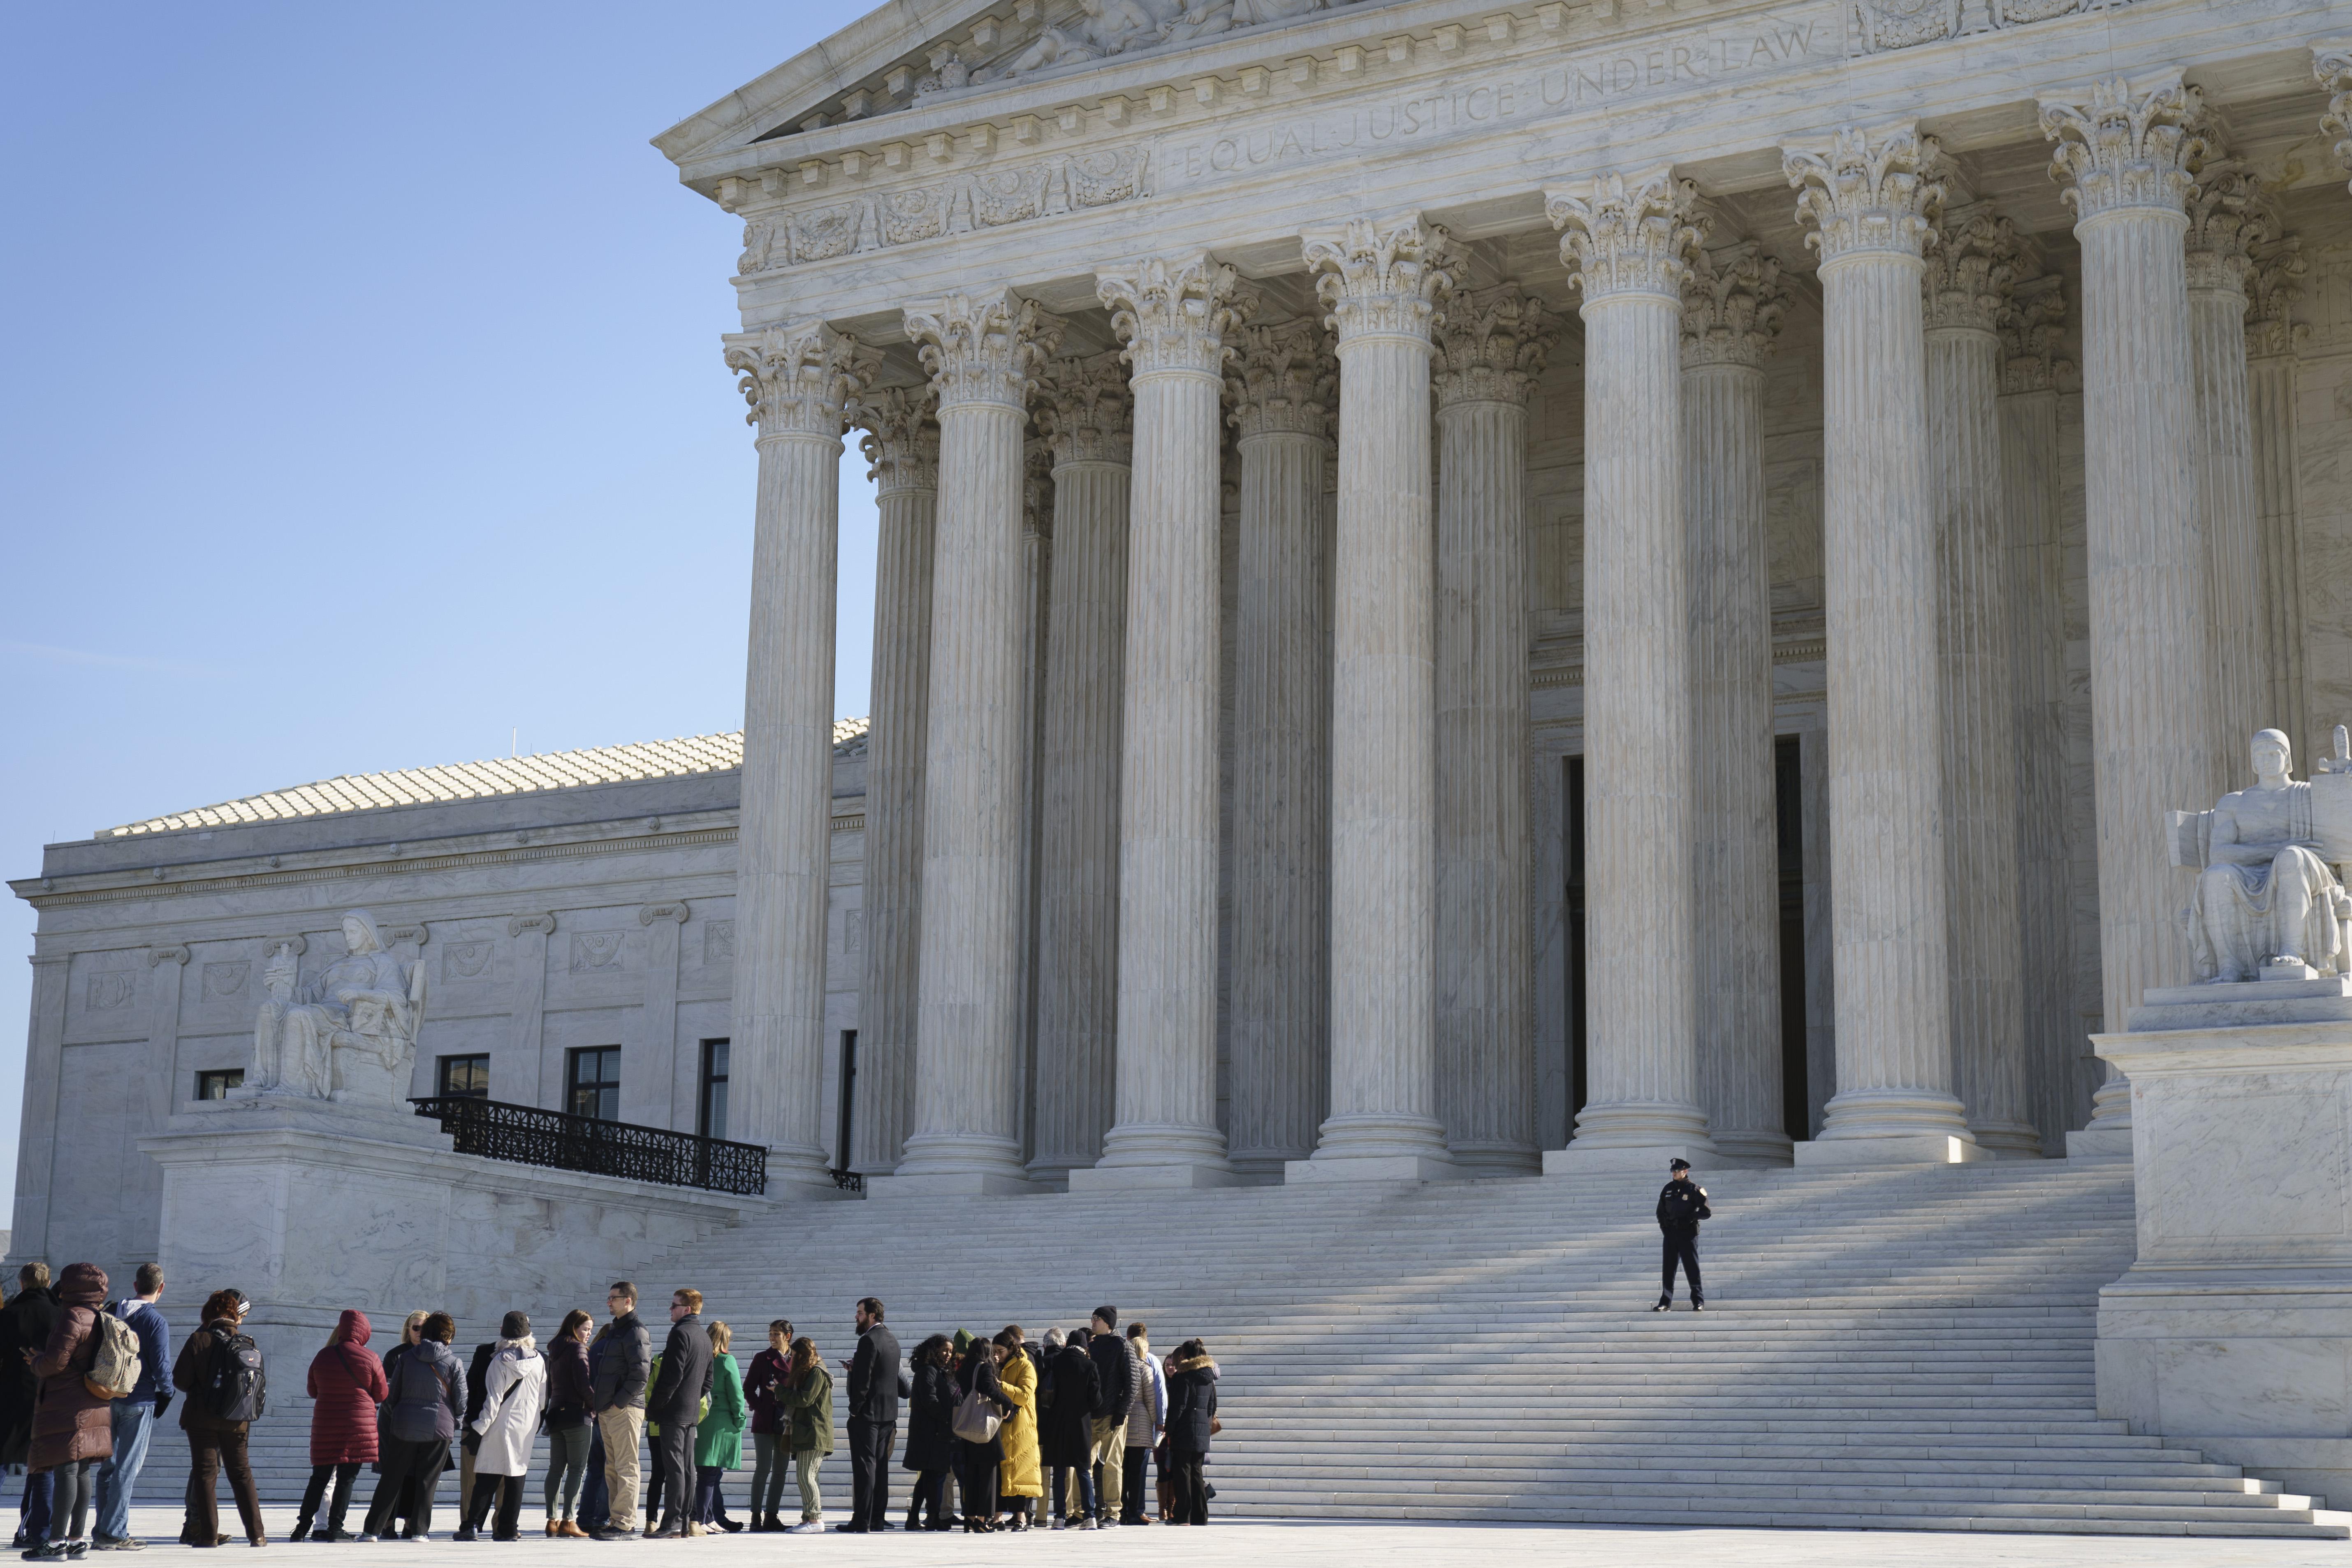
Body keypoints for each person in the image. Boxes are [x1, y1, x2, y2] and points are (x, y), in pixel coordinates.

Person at [23, 1262, 113, 1561]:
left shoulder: (73, 1316)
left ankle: (56, 1541)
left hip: (68, 1403)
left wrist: (36, 1362)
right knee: (82, 1470)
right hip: (95, 1401)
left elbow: (55, 1364)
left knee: (66, 1469)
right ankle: (76, 1539)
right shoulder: (101, 1316)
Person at [358, 1310, 463, 1542]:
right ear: (448, 1337)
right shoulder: (454, 1362)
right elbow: (461, 1400)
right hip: (439, 1428)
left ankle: (371, 1531)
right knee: (427, 1482)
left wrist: (397, 1417)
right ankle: (419, 1532)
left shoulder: (406, 1358)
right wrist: (455, 1422)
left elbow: (391, 1396)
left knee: (391, 1479)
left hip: (404, 1426)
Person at [173, 1288, 266, 1548]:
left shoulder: (198, 1339)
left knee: (205, 1475)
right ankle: (257, 1535)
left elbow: (180, 1380)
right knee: (242, 1475)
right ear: (234, 1315)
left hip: (201, 1419)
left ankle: (208, 1536)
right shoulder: (247, 1342)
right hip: (238, 1419)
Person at [90, 1263, 172, 1551]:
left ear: (136, 1285)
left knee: (108, 1467)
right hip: (140, 1398)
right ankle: (114, 1531)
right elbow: (162, 1366)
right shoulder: (155, 1321)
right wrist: (169, 1392)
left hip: (108, 1395)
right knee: (128, 1467)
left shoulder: (110, 1312)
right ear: (160, 1288)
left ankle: (102, 1528)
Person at [292, 1309, 386, 1543]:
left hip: (327, 1424)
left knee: (319, 1478)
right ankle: (336, 1528)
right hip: (357, 1425)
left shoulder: (322, 1356)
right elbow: (382, 1394)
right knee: (347, 1479)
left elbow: (312, 1390)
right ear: (364, 1331)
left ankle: (301, 1529)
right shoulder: (370, 1357)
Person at [456, 1313, 545, 1543]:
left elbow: (493, 1401)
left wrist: (479, 1428)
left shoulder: (499, 1360)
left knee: (487, 1477)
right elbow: (543, 1399)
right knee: (516, 1477)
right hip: (525, 1425)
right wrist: (535, 1424)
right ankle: (508, 1529)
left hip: (499, 1425)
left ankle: (471, 1526)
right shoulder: (539, 1360)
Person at [585, 1282, 650, 1541]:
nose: (609, 1302)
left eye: (614, 1298)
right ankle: (616, 1520)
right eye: (609, 1298)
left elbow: (641, 1374)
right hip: (608, 1409)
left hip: (625, 1409)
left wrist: (619, 1402)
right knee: (612, 1467)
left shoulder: (636, 1331)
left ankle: (625, 1523)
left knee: (626, 1466)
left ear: (629, 1301)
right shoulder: (615, 1331)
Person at [646, 1289, 713, 1539]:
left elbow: (671, 1376)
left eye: (674, 1305)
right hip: (691, 1412)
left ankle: (672, 1522)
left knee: (675, 1468)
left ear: (687, 1309)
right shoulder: (705, 1337)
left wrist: (656, 1406)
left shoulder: (680, 1333)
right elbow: (708, 1382)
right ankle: (685, 1522)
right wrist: (691, 1398)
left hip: (673, 1412)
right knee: (687, 1468)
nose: (670, 1309)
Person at [1, 1265, 58, 1549]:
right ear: (48, 1282)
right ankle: (38, 1532)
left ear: (22, 1284)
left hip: (8, 1399)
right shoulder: (60, 1317)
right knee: (43, 1468)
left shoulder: (8, 1315)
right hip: (47, 1400)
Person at [841, 1297, 902, 1534]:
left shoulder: (868, 1340)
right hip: (888, 1415)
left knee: (865, 1467)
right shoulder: (892, 1340)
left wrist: (855, 1409)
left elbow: (864, 1382)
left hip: (868, 1416)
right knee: (881, 1468)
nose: (856, 1317)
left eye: (860, 1313)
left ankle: (861, 1520)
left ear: (872, 1315)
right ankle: (877, 1518)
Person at [372, 1311, 428, 1540]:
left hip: (418, 1424)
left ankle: (409, 1524)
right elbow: (386, 1392)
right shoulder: (395, 1356)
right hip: (392, 1422)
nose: (419, 1333)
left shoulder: (433, 1355)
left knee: (414, 1476)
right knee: (391, 1475)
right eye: (415, 1328)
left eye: (424, 1328)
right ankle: (387, 1523)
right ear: (407, 1330)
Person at [541, 1310, 594, 1538]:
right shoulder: (578, 1349)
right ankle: (569, 1520)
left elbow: (551, 1386)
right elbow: (583, 1383)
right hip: (577, 1414)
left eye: (591, 1330)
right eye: (585, 1329)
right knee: (576, 1469)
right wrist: (596, 1407)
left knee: (556, 1469)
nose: (589, 1334)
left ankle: (551, 1521)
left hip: (557, 1414)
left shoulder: (555, 1349)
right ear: (574, 1327)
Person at [691, 1321, 746, 1533]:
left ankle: (710, 1516)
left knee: (709, 1472)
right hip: (722, 1420)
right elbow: (736, 1393)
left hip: (702, 1416)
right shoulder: (726, 1360)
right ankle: (701, 1518)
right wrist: (740, 1419)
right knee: (710, 1473)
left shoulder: (700, 1359)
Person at [1041, 1327, 1098, 1529]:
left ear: (1067, 1345)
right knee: (1083, 1469)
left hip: (1057, 1423)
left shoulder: (1055, 1363)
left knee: (1059, 1471)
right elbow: (1096, 1401)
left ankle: (1059, 1517)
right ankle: (1090, 1516)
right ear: (1084, 1346)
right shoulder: (1090, 1365)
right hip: (1081, 1423)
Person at [899, 1336, 957, 1533]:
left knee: (927, 1478)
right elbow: (930, 1400)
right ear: (933, 1351)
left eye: (950, 1351)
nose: (948, 1355)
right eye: (944, 1350)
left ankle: (916, 1518)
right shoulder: (928, 1372)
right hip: (931, 1434)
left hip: (933, 1432)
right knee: (933, 1477)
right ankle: (932, 1517)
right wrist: (948, 1417)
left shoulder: (935, 1371)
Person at [951, 1336, 1008, 1533]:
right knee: (987, 1476)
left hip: (968, 1429)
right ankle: (982, 1520)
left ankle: (969, 1518)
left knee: (971, 1476)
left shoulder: (964, 1368)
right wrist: (1008, 1403)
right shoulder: (983, 1368)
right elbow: (990, 1390)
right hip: (984, 1427)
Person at [742, 1320, 793, 1532]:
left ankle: (772, 1515)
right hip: (765, 1420)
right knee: (762, 1468)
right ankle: (755, 1516)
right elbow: (748, 1388)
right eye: (770, 1334)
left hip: (787, 1421)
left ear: (787, 1337)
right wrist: (759, 1406)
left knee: (781, 1470)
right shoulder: (762, 1358)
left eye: (776, 1334)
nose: (772, 1338)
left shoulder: (798, 1359)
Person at [1085, 1307, 1135, 1526]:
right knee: (1082, 1464)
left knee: (1112, 1465)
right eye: (1093, 1318)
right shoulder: (1092, 1346)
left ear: (1107, 1323)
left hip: (1112, 1415)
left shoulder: (1122, 1346)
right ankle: (1083, 1510)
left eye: (1097, 1319)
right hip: (1090, 1415)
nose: (1093, 1322)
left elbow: (1133, 1382)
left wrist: (1122, 1412)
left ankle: (1113, 1512)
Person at [1162, 1339, 1217, 1526]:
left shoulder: (1183, 1377)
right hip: (1201, 1432)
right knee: (1196, 1473)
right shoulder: (1209, 1378)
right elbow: (1212, 1407)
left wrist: (1169, 1428)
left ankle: (1182, 1516)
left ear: (1187, 1355)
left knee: (1182, 1473)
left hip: (1184, 1432)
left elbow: (1179, 1406)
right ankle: (1200, 1516)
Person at [781, 1337, 832, 1534]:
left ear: (802, 1355)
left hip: (814, 1432)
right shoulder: (812, 1371)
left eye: (794, 1356)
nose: (792, 1360)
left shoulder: (818, 1371)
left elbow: (805, 1399)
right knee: (809, 1476)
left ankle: (815, 1519)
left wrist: (779, 1390)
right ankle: (808, 1518)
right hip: (808, 1431)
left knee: (806, 1475)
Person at [993, 1328, 1040, 1531]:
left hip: (1021, 1427)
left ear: (1012, 1348)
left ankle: (1021, 1516)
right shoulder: (996, 1366)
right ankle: (997, 1517)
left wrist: (1001, 1386)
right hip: (999, 1427)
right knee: (1000, 1473)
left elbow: (1024, 1396)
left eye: (1000, 1351)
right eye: (994, 1351)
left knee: (1020, 1471)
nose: (997, 1355)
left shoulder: (1025, 1366)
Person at [1120, 1323, 1164, 1526]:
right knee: (1138, 1473)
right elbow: (1151, 1399)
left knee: (1123, 1470)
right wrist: (1157, 1421)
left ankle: (1121, 1509)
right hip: (1141, 1426)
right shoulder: (1145, 1369)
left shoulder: (1122, 1368)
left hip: (1123, 1425)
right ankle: (1136, 1512)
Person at [454, 1334, 498, 1530]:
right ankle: (469, 1523)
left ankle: (502, 1524)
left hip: (508, 1427)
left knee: (507, 1478)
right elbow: (469, 1385)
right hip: (475, 1423)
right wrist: (467, 1419)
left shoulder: (535, 1357)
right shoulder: (484, 1352)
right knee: (471, 1478)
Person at [1656, 1157, 1710, 1312]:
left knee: (1692, 1268)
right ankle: (1665, 1302)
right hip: (1671, 1233)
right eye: (1673, 1171)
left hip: (1688, 1233)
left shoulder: (1694, 1189)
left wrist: (1692, 1218)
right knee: (1668, 1269)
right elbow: (1660, 1212)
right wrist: (1665, 1228)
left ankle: (1698, 1302)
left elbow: (1706, 1212)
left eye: (1677, 1171)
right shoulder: (1667, 1189)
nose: (1674, 1173)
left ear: (1685, 1172)